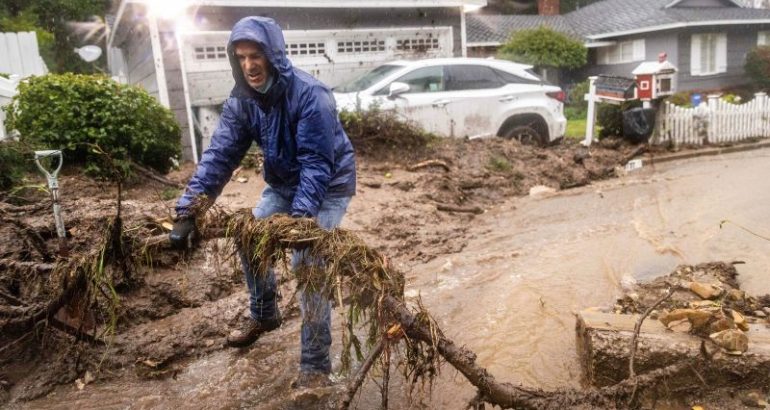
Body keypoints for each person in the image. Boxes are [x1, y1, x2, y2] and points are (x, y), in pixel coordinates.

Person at [169, 16, 356, 387]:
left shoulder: (310, 95)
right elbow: (220, 155)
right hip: (284, 183)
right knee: (249, 234)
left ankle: (316, 366)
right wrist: (189, 211)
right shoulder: (243, 100)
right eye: (241, 57)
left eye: (256, 56)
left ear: (274, 55)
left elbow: (317, 166)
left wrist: (300, 223)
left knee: (308, 262)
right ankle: (265, 313)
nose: (249, 65)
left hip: (329, 185)